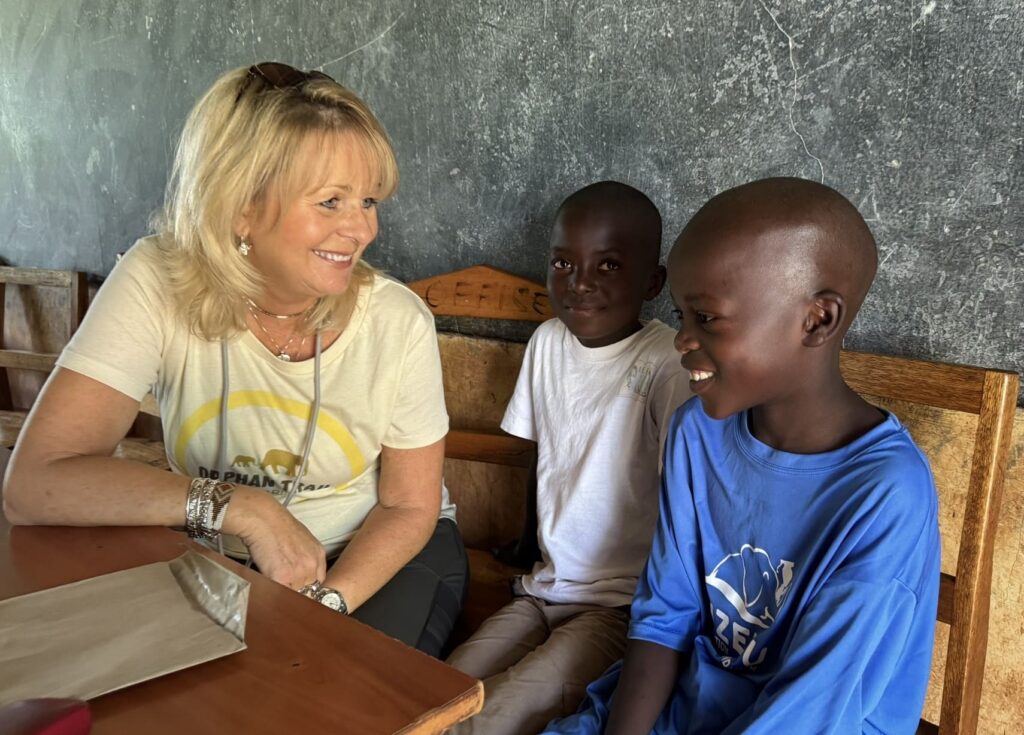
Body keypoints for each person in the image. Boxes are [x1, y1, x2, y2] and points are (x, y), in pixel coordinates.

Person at [1, 62, 467, 657]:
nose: (362, 229)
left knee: (323, 690)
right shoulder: (157, 280)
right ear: (241, 207)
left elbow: (410, 505)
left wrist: (323, 603)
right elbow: (36, 484)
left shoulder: (397, 321)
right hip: (218, 551)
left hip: (379, 557)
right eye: (331, 202)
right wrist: (243, 508)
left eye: (369, 200)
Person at [542, 177, 941, 734]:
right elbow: (664, 620)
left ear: (817, 320)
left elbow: (812, 709)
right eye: (680, 315)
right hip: (682, 711)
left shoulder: (886, 492)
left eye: (705, 318)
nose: (683, 339)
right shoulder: (697, 433)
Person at [447, 181, 692, 734]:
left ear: (652, 282)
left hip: (619, 607)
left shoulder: (665, 365)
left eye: (608, 266)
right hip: (544, 589)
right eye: (563, 263)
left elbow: (683, 500)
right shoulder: (547, 344)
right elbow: (544, 456)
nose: (579, 283)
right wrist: (525, 539)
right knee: (438, 693)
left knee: (487, 720)